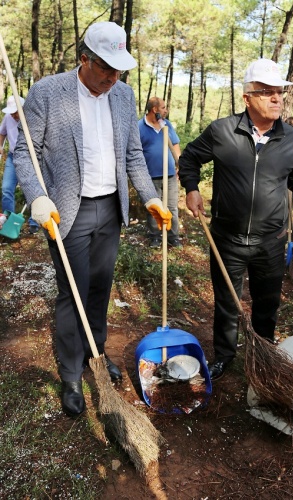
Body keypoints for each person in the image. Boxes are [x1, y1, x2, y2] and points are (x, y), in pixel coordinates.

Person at [14, 21, 172, 417]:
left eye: (119, 70)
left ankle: (94, 354)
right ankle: (70, 374)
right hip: (67, 209)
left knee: (100, 287)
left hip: (109, 208)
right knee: (73, 291)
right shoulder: (48, 92)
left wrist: (150, 198)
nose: (113, 78)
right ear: (84, 58)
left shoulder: (123, 95)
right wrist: (38, 199)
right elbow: (23, 152)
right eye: (105, 69)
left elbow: (133, 155)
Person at [178, 58, 293, 380]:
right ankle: (225, 356)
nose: (276, 98)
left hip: (271, 242)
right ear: (247, 97)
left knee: (267, 304)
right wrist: (192, 189)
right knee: (227, 303)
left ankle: (263, 353)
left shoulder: (291, 140)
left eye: (279, 91)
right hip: (227, 240)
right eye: (267, 92)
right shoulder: (222, 131)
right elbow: (189, 158)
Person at [138, 97, 182, 248]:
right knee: (154, 208)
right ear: (154, 110)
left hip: (169, 175)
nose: (166, 110)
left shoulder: (166, 125)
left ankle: (173, 237)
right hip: (150, 176)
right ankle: (155, 236)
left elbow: (175, 145)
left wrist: (179, 164)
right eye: (163, 108)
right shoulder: (139, 127)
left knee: (172, 206)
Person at [0, 96, 39, 234]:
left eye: (15, 111)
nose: (13, 114)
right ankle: (9, 220)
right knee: (6, 189)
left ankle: (34, 222)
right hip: (12, 157)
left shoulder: (32, 117)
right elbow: (2, 132)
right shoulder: (8, 118)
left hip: (29, 157)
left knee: (31, 189)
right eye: (11, 112)